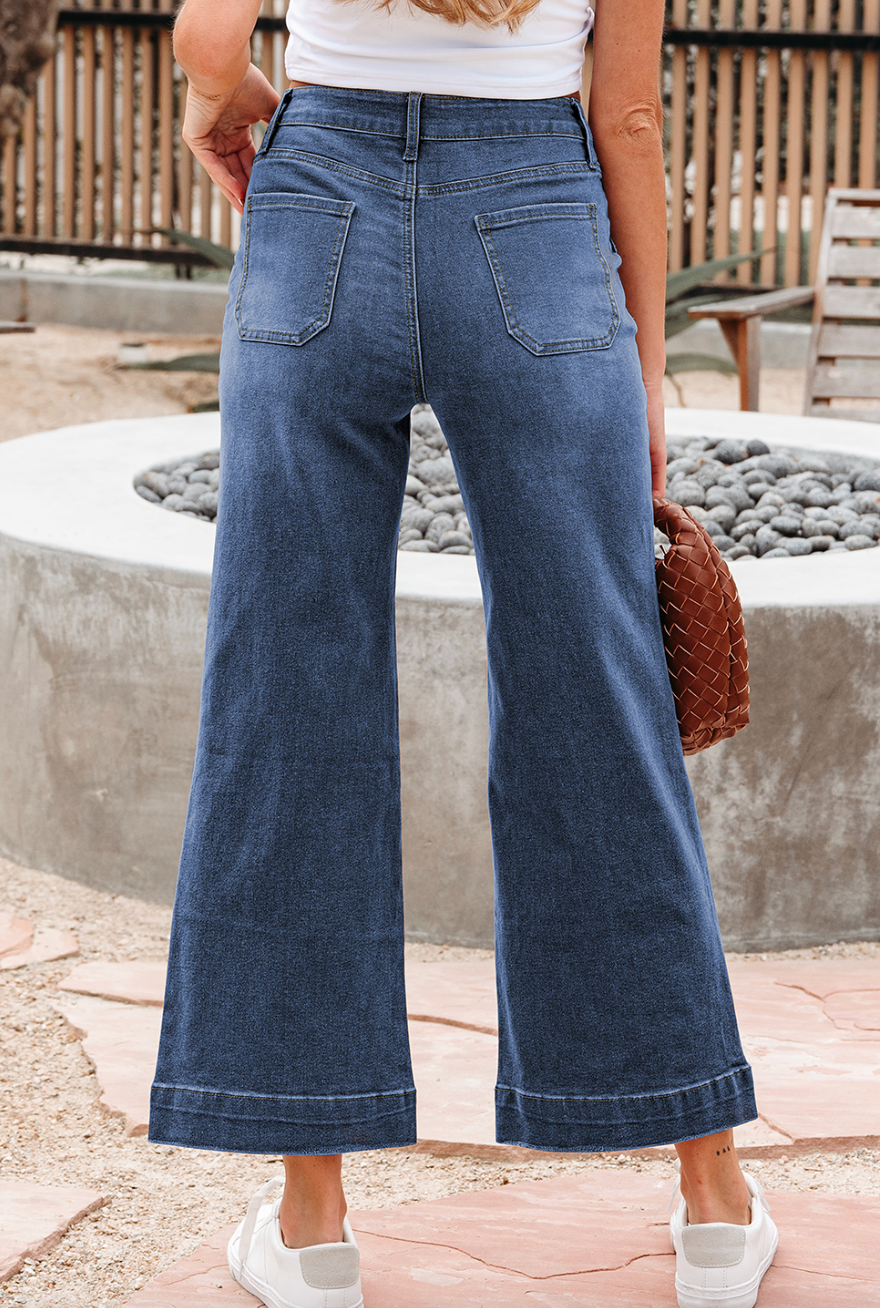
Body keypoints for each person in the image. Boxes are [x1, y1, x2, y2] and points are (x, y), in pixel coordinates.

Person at [149, 0, 779, 1304]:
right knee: (598, 704)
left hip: (317, 205)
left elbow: (212, 41)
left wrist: (230, 106)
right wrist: (645, 369)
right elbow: (630, 119)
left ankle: (312, 1226)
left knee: (289, 700)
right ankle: (712, 1202)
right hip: (536, 220)